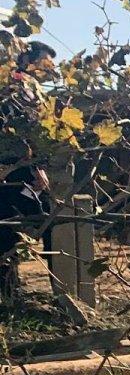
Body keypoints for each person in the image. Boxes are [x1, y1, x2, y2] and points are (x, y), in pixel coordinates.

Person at [0, 41, 57, 304]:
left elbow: (39, 136)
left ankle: (62, 289)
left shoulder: (33, 92)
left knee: (49, 221)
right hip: (9, 172)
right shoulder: (11, 89)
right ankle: (7, 294)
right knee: (7, 227)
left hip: (29, 172)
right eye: (45, 62)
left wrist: (40, 167)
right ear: (27, 60)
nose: (49, 68)